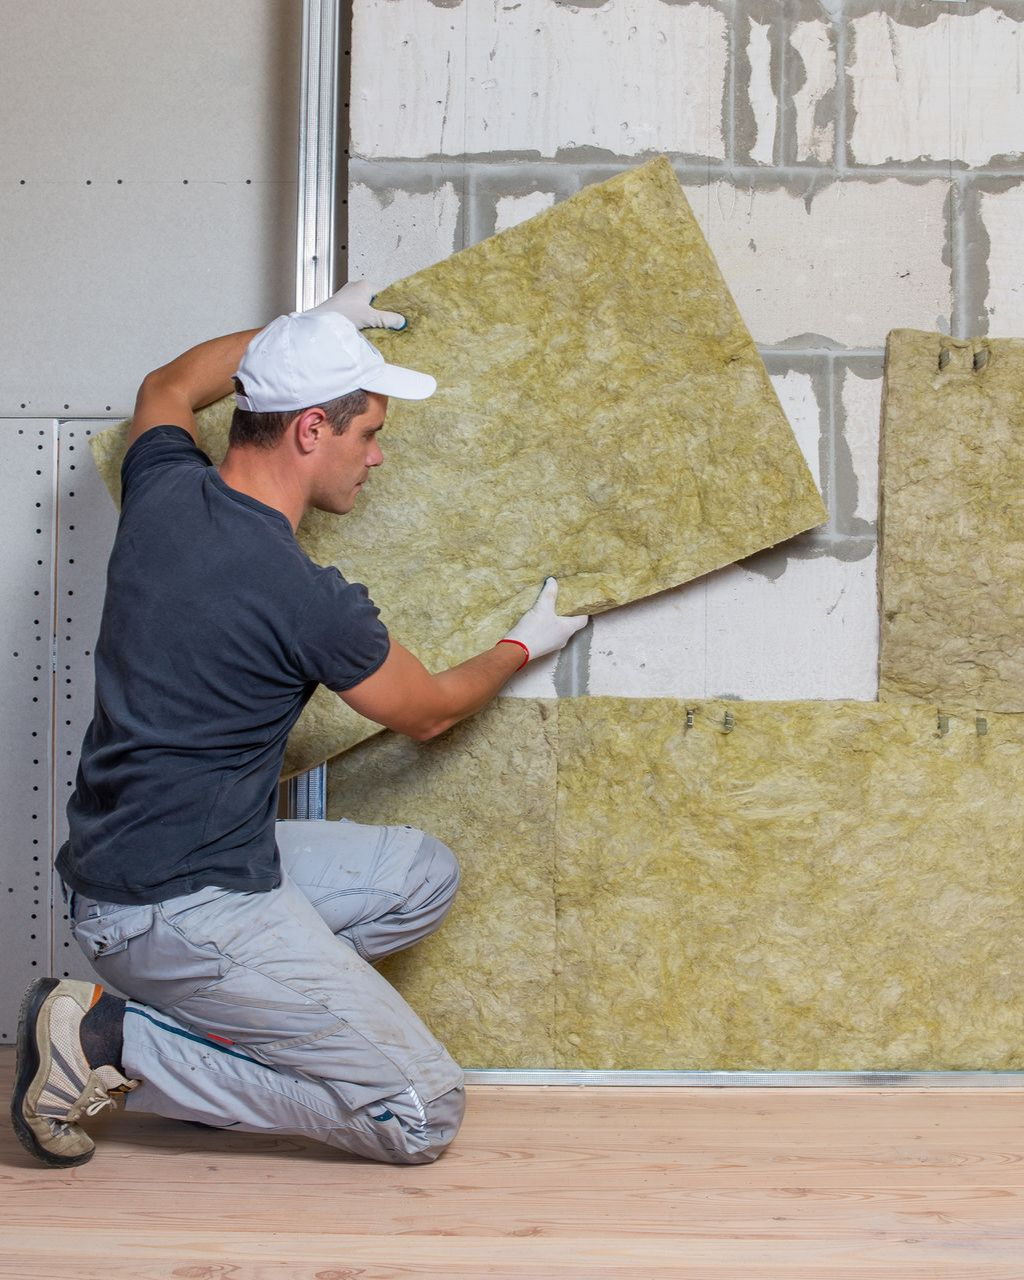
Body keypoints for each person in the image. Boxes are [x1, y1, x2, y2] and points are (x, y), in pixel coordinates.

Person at [10, 283, 588, 1169]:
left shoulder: (162, 487)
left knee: (419, 876)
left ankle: (230, 1024)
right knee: (419, 1111)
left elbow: (167, 385)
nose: (379, 456)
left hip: (131, 877)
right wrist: (522, 645)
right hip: (175, 913)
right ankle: (115, 1043)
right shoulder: (301, 595)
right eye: (368, 433)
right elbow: (428, 710)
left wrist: (306, 331)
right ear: (311, 430)